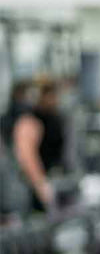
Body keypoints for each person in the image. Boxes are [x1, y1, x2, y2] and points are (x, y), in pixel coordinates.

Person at [7, 78, 65, 212]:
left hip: (51, 180)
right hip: (30, 188)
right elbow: (27, 156)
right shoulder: (30, 121)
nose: (55, 100)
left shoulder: (54, 118)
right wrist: (40, 185)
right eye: (51, 95)